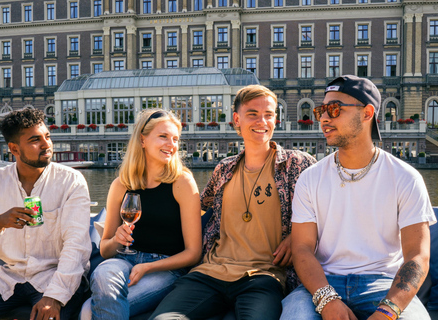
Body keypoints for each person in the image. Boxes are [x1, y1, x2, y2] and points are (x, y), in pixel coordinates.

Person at [150, 84, 316, 319]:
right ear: (237, 119)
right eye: (253, 114)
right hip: (208, 274)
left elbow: (327, 208)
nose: (262, 121)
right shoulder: (224, 169)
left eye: (268, 115)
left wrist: (296, 237)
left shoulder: (297, 165)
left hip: (263, 277)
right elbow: (194, 211)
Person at [281, 75, 436, 319]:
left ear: (367, 113)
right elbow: (302, 248)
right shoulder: (310, 179)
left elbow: (417, 255)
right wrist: (327, 299)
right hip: (323, 282)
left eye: (334, 109)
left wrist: (388, 311)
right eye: (321, 110)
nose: (322, 118)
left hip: (384, 283)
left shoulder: (405, 177)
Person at [0, 109, 92, 320]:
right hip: (7, 277)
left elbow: (77, 246)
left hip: (54, 277)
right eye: (35, 140)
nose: (46, 144)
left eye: (47, 136)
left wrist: (55, 297)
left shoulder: (71, 181)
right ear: (14, 148)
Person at [90, 109, 202, 319]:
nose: (171, 144)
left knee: (90, 310)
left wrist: (148, 267)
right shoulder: (121, 185)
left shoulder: (182, 183)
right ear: (142, 140)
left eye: (175, 139)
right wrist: (116, 238)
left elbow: (193, 253)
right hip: (123, 261)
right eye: (163, 136)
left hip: (165, 268)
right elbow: (105, 250)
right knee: (103, 272)